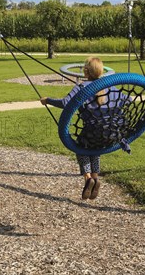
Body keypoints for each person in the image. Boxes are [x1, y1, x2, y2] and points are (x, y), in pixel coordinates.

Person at [40, 56, 110, 200]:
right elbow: (125, 99)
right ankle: (96, 178)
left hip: (89, 133)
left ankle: (88, 178)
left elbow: (65, 103)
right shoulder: (109, 86)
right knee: (95, 149)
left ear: (85, 71)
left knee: (81, 147)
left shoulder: (82, 87)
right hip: (108, 134)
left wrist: (48, 100)